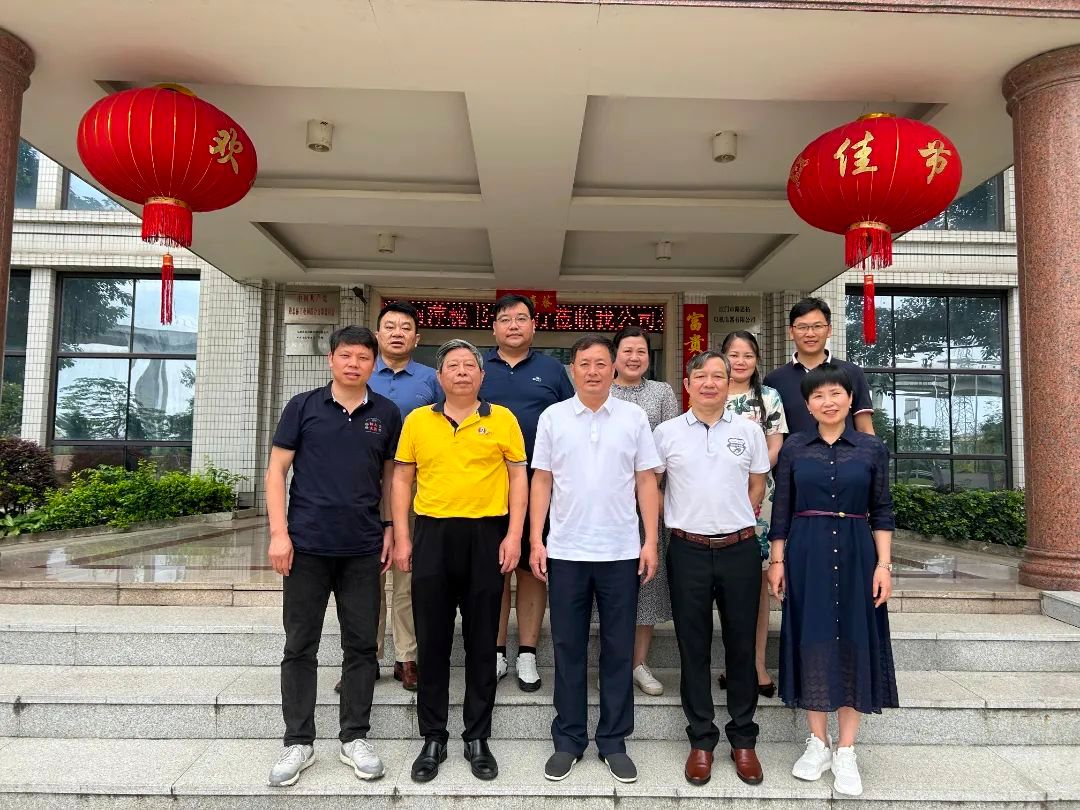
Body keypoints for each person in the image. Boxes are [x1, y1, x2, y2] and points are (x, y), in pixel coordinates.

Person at [265, 326, 402, 787]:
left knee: (361, 646)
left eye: (363, 357)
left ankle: (354, 737)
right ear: (331, 359)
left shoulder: (386, 413)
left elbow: (389, 478)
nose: (354, 364)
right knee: (299, 645)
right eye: (346, 355)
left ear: (373, 364)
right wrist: (279, 534)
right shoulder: (302, 406)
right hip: (306, 546)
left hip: (362, 547)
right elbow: (276, 471)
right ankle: (298, 742)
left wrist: (389, 527)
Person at [392, 339, 528, 784]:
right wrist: (403, 537)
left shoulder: (503, 419)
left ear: (482, 375)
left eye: (470, 365)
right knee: (432, 642)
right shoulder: (418, 420)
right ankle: (433, 737)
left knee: (482, 641)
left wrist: (513, 535)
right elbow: (402, 479)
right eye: (453, 365)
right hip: (432, 535)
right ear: (440, 376)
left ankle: (477, 736)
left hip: (487, 536)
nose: (463, 372)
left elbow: (518, 478)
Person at [529, 335, 661, 785]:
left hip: (620, 551)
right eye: (584, 363)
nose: (592, 371)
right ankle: (568, 740)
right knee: (568, 646)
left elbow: (646, 481)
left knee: (618, 647)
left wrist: (650, 541)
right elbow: (542, 480)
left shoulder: (633, 416)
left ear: (613, 369)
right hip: (566, 550)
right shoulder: (553, 416)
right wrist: (536, 539)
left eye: (601, 363)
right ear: (573, 370)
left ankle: (613, 741)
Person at [767, 363, 898, 797]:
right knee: (813, 638)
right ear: (807, 405)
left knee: (855, 639)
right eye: (818, 396)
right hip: (806, 552)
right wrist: (777, 560)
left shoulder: (870, 448)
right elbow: (782, 509)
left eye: (836, 394)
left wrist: (884, 565)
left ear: (850, 399)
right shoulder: (795, 448)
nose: (828, 402)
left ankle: (846, 749)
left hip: (859, 552)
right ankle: (818, 742)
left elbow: (882, 510)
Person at [654, 351, 770, 787]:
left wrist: (740, 513)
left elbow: (757, 483)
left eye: (717, 376)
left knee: (741, 645)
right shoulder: (666, 433)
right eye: (700, 376)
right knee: (693, 646)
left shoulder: (748, 430)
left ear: (728, 383)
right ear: (687, 385)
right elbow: (652, 484)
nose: (709, 383)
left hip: (740, 550)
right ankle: (701, 739)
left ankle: (744, 739)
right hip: (688, 550)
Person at [480, 294, 575, 692]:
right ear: (494, 328)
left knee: (533, 566)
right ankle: (496, 650)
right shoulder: (478, 367)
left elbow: (572, 422)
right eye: (506, 319)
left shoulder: (552, 370)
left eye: (521, 318)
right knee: (494, 569)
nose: (514, 325)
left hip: (540, 486)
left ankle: (528, 654)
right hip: (485, 487)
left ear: (534, 326)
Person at [364, 300, 441, 693]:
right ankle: (366, 657)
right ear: (378, 334)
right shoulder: (361, 374)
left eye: (406, 327)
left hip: (413, 486)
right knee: (367, 576)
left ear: (417, 337)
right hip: (363, 486)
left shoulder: (431, 379)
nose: (397, 333)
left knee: (406, 572)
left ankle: (406, 657)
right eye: (390, 326)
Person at [608, 324, 680, 696]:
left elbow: (670, 444)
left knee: (646, 584)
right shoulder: (600, 389)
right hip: (606, 504)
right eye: (627, 350)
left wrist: (654, 490)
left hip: (649, 502)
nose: (634, 357)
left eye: (641, 351)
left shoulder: (662, 392)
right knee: (608, 584)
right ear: (614, 355)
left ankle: (638, 663)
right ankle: (613, 661)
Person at [716, 330, 788, 697]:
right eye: (734, 354)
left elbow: (775, 445)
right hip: (716, 497)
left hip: (759, 497)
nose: (740, 361)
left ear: (757, 360)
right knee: (725, 582)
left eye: (748, 355)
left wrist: (750, 472)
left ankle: (757, 663)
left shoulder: (769, 397)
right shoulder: (711, 391)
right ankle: (732, 663)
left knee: (757, 584)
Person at [763, 298, 874, 437]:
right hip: (793, 451)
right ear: (791, 332)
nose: (810, 333)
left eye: (817, 326)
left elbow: (865, 429)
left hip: (846, 451)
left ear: (829, 330)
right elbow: (771, 435)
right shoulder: (774, 380)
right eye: (802, 327)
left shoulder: (852, 372)